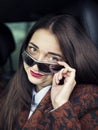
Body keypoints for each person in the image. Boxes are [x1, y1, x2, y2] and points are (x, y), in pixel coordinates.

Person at [0, 14, 98, 130]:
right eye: (33, 49)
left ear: (70, 62)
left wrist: (60, 105)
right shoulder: (13, 88)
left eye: (53, 58)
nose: (35, 67)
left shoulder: (89, 98)